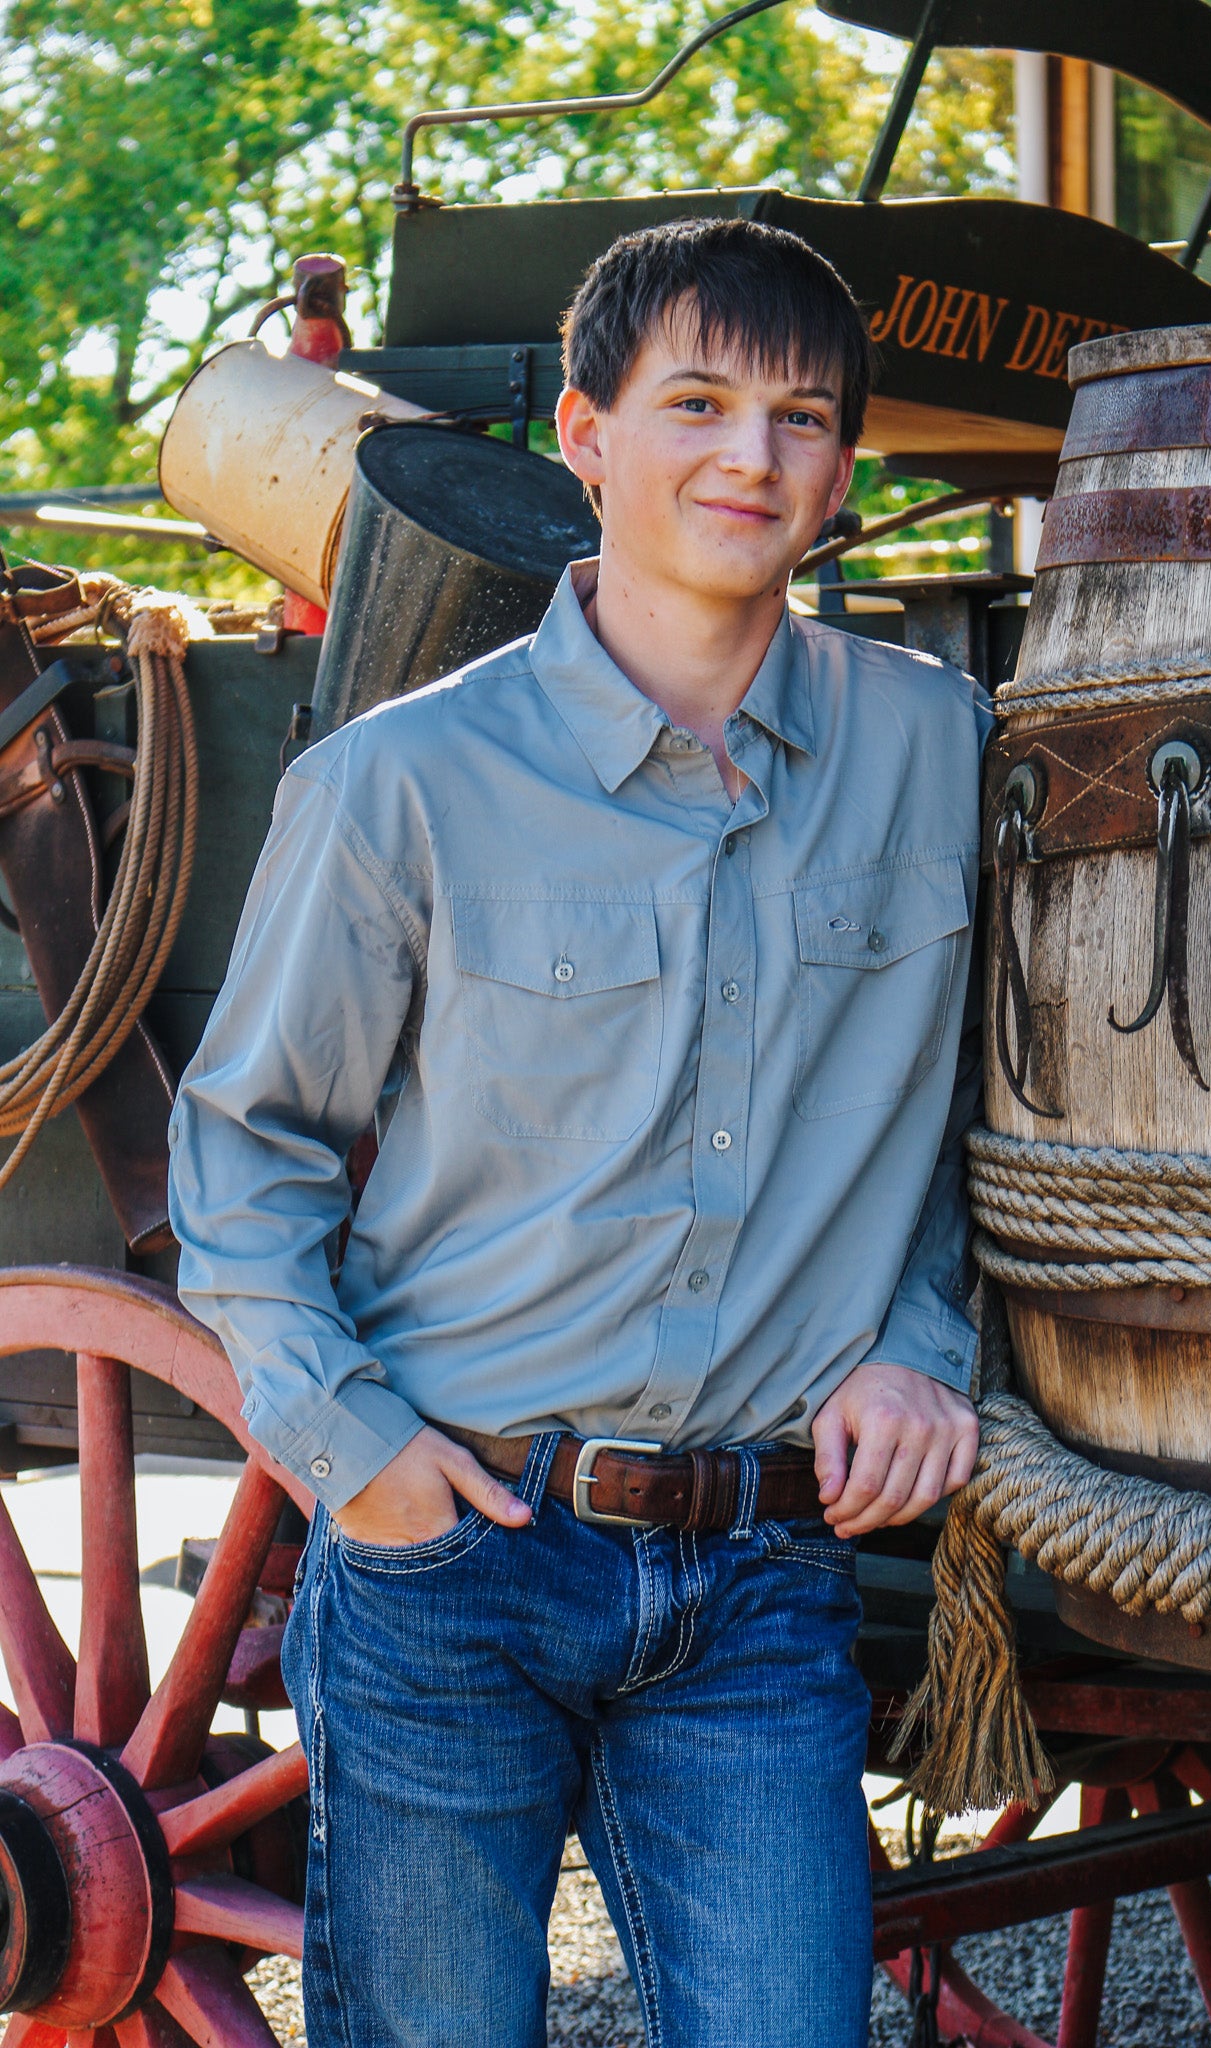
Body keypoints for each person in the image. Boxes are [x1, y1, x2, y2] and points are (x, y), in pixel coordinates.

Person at [168, 215, 986, 2048]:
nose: (749, 456)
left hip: (767, 1573)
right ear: (582, 433)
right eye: (694, 402)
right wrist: (346, 1447)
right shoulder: (401, 784)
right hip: (451, 1550)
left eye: (800, 418)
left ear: (843, 467)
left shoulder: (946, 752)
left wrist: (922, 1353)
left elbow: (962, 1123)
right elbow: (247, 1151)